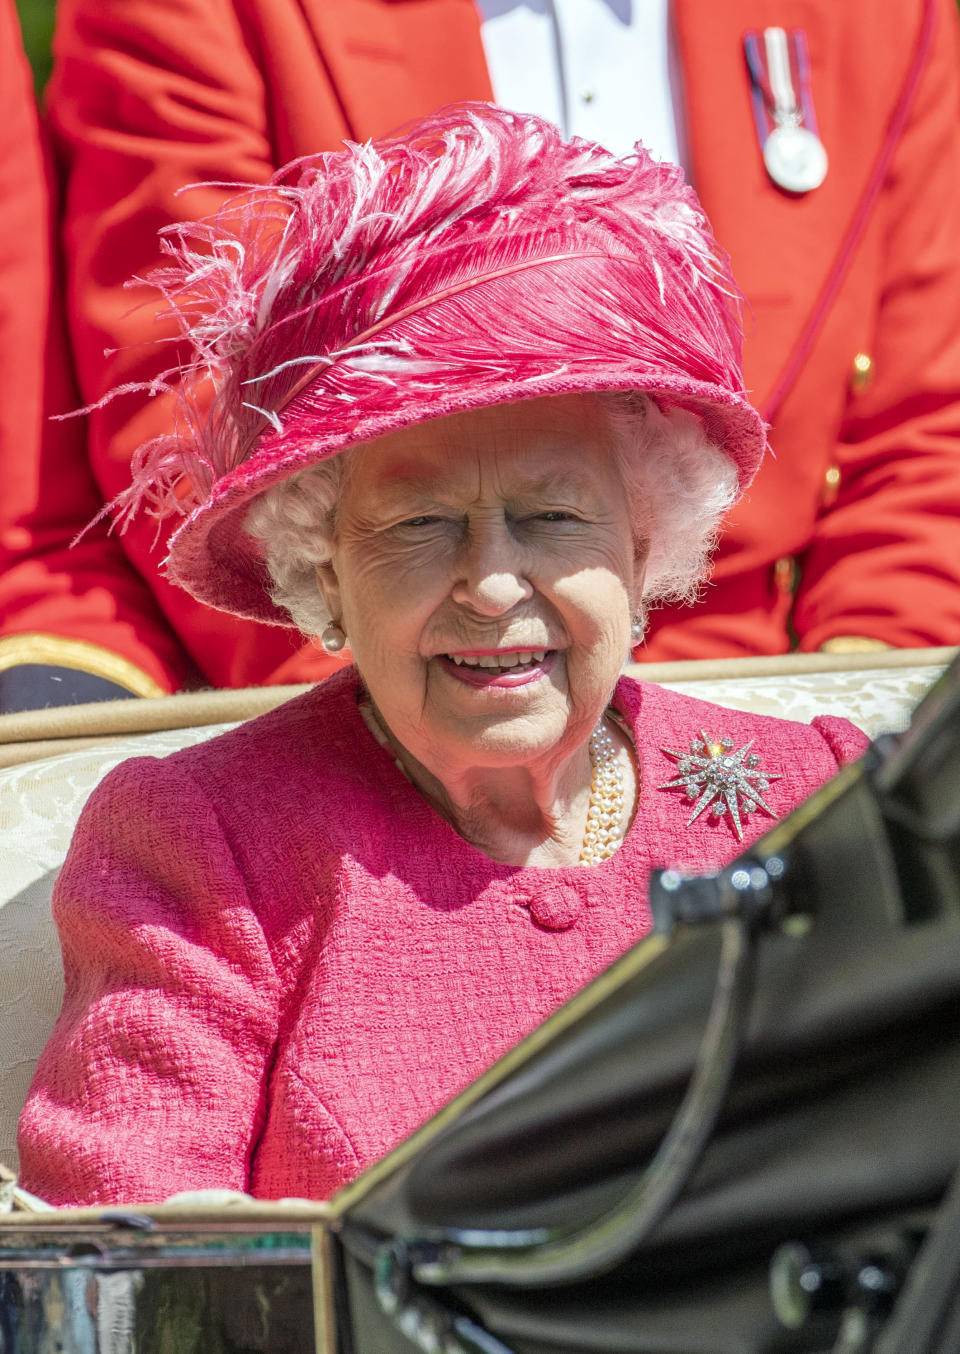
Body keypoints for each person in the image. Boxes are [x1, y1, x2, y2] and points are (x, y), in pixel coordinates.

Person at [16, 108, 868, 1207]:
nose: (493, 583)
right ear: (323, 568)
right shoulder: (203, 848)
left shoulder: (819, 797)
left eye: (554, 516)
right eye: (417, 526)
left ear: (644, 540)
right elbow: (141, 1267)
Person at [3, 0, 958, 705]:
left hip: (758, 689)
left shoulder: (887, 19)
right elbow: (196, 418)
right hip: (385, 684)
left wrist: (851, 726)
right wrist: (432, 732)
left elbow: (922, 440)